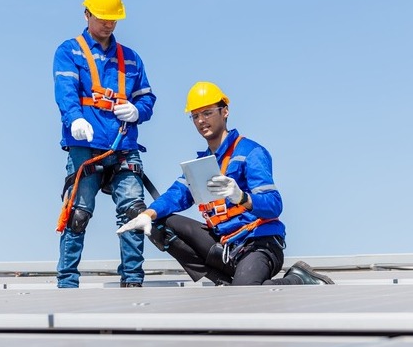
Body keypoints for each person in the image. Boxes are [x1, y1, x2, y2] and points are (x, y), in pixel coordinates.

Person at [117, 81, 333, 286]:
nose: (201, 120)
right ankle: (224, 281)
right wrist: (147, 215)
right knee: (161, 222)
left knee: (243, 293)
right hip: (226, 246)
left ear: (225, 111)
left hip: (259, 245)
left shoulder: (250, 152)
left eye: (208, 112)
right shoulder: (202, 166)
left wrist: (241, 197)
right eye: (195, 116)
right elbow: (176, 194)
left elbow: (274, 205)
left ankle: (298, 279)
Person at [53, 0, 156, 288]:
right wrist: (74, 120)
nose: (108, 24)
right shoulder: (69, 51)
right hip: (85, 146)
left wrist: (138, 111)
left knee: (134, 214)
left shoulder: (132, 59)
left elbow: (147, 98)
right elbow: (66, 91)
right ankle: (67, 283)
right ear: (87, 15)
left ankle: (133, 282)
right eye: (102, 18)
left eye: (113, 19)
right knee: (78, 213)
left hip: (123, 145)